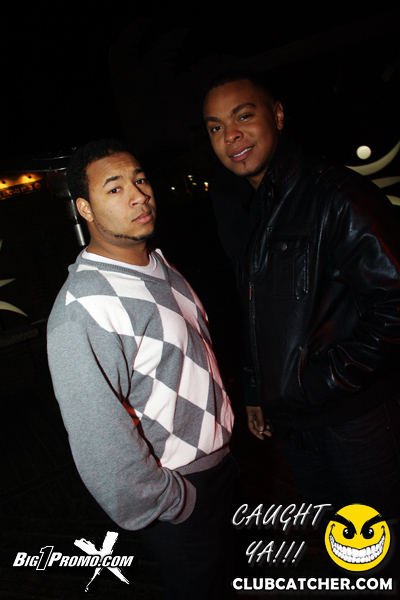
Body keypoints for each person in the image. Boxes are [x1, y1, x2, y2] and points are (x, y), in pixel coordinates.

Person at [203, 71, 400, 528]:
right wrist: (256, 388)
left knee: (380, 543)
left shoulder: (336, 194)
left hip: (356, 419)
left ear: (277, 115)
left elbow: (395, 303)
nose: (230, 135)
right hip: (296, 422)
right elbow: (258, 311)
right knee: (340, 541)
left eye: (243, 116)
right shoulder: (248, 207)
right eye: (215, 127)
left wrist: (323, 381)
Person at [47, 138, 237, 599]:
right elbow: (98, 437)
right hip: (181, 491)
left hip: (224, 469)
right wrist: (172, 502)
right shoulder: (83, 307)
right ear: (85, 208)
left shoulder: (158, 264)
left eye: (140, 180)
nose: (138, 195)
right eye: (114, 189)